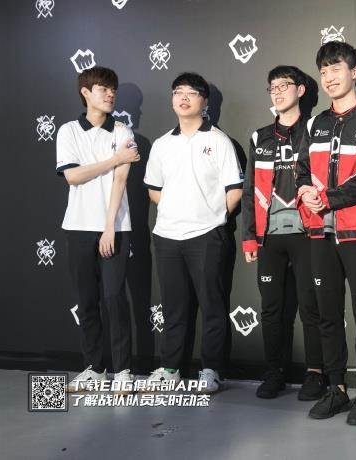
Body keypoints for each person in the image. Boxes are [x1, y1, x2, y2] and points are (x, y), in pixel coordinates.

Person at [297, 41, 356, 425]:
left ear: (354, 72)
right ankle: (336, 388)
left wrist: (327, 199)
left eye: (336, 68)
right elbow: (301, 169)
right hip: (321, 232)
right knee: (327, 316)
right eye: (323, 71)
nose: (329, 77)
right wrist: (306, 191)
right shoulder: (315, 123)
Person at [143, 72, 243, 394]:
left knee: (212, 305)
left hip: (207, 235)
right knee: (174, 306)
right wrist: (177, 211)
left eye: (191, 93)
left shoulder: (219, 140)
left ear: (204, 101)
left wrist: (212, 217)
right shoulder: (161, 144)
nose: (184, 98)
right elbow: (154, 190)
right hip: (167, 236)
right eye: (178, 92)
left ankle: (211, 370)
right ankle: (171, 368)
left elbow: (234, 189)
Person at [241, 65, 326, 400]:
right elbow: (249, 190)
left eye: (284, 86)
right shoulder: (259, 137)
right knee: (272, 308)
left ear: (301, 90)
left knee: (311, 305)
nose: (277, 92)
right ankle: (274, 371)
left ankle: (316, 373)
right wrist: (250, 236)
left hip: (308, 233)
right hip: (270, 237)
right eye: (272, 87)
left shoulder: (317, 131)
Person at [57, 66, 140, 394]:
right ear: (85, 92)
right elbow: (72, 176)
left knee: (114, 297)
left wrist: (109, 227)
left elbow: (120, 180)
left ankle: (123, 371)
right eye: (103, 89)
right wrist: (113, 159)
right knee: (87, 300)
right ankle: (94, 368)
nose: (110, 94)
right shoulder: (68, 131)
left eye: (112, 90)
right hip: (77, 226)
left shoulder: (122, 131)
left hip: (114, 228)